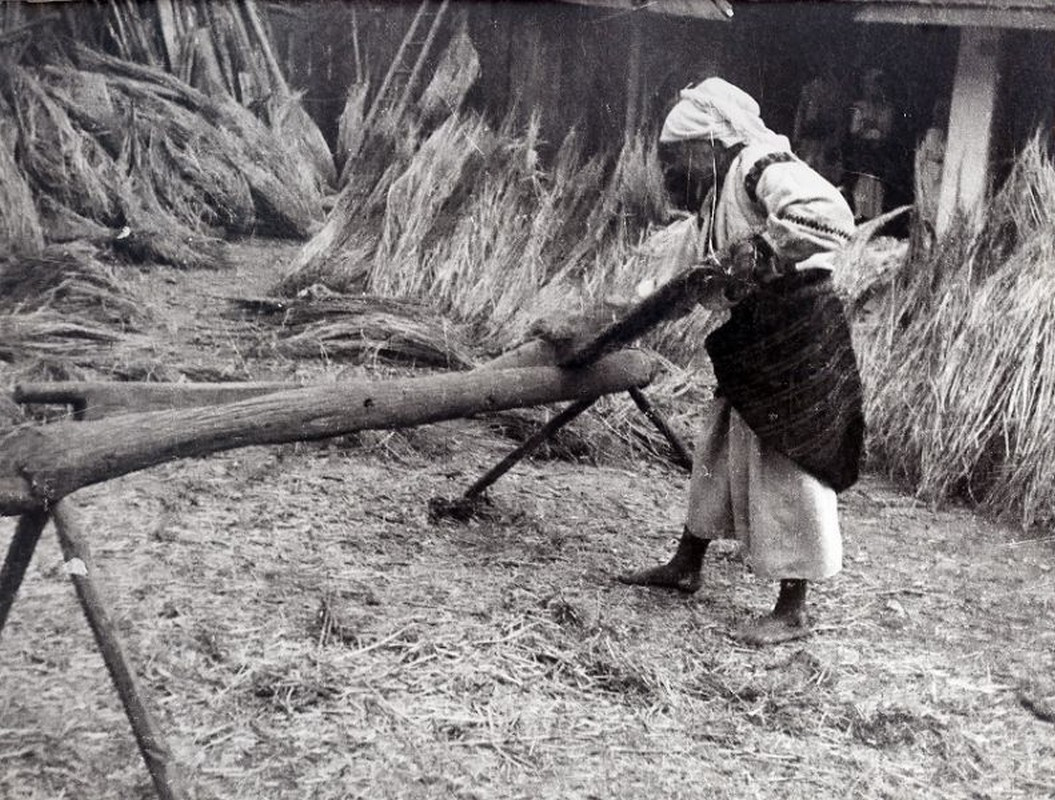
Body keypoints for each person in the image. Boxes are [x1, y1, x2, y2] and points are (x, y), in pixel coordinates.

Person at [618, 77, 864, 646]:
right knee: (718, 446)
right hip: (755, 334)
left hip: (798, 329)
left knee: (789, 464)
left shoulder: (761, 164)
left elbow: (830, 215)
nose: (678, 169)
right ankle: (686, 563)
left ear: (711, 141)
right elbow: (676, 279)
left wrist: (758, 253)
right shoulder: (715, 200)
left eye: (682, 155)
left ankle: (793, 607)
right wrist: (615, 316)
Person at [847, 68, 895, 220]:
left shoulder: (887, 108)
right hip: (862, 154)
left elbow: (885, 132)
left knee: (876, 192)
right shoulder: (859, 106)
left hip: (877, 156)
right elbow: (854, 130)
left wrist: (870, 126)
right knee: (859, 190)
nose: (875, 89)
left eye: (878, 85)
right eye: (872, 85)